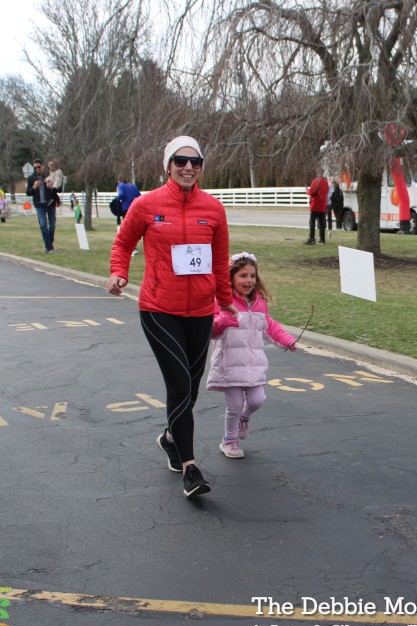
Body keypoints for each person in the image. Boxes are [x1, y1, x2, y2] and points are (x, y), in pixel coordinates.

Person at [105, 135, 236, 499]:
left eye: (196, 162)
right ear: (168, 165)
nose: (188, 167)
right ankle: (190, 467)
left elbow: (219, 260)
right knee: (179, 385)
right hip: (159, 309)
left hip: (200, 311)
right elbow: (123, 243)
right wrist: (118, 273)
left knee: (190, 389)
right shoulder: (147, 205)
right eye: (180, 161)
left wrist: (226, 301)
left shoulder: (213, 209)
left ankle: (169, 438)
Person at [207, 252, 297, 459]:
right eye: (243, 276)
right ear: (231, 278)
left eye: (252, 276)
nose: (249, 280)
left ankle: (244, 418)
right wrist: (222, 321)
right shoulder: (222, 301)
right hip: (229, 364)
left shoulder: (259, 303)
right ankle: (229, 440)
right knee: (234, 405)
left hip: (253, 364)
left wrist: (288, 340)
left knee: (257, 400)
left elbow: (270, 327)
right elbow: (211, 330)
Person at [26, 159, 57, 253]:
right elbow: (28, 192)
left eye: (38, 167)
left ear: (42, 166)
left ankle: (50, 243)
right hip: (39, 205)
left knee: (52, 225)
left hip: (50, 204)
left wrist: (52, 187)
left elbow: (58, 189)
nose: (37, 169)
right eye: (35, 167)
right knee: (43, 225)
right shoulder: (31, 178)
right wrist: (34, 187)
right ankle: (48, 247)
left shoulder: (49, 176)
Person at [304, 171, 329, 245]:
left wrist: (306, 190)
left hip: (315, 205)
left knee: (312, 222)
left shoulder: (315, 181)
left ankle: (312, 238)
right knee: (322, 223)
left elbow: (312, 192)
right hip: (322, 206)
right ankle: (322, 239)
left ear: (317, 174)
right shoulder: (325, 183)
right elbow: (326, 191)